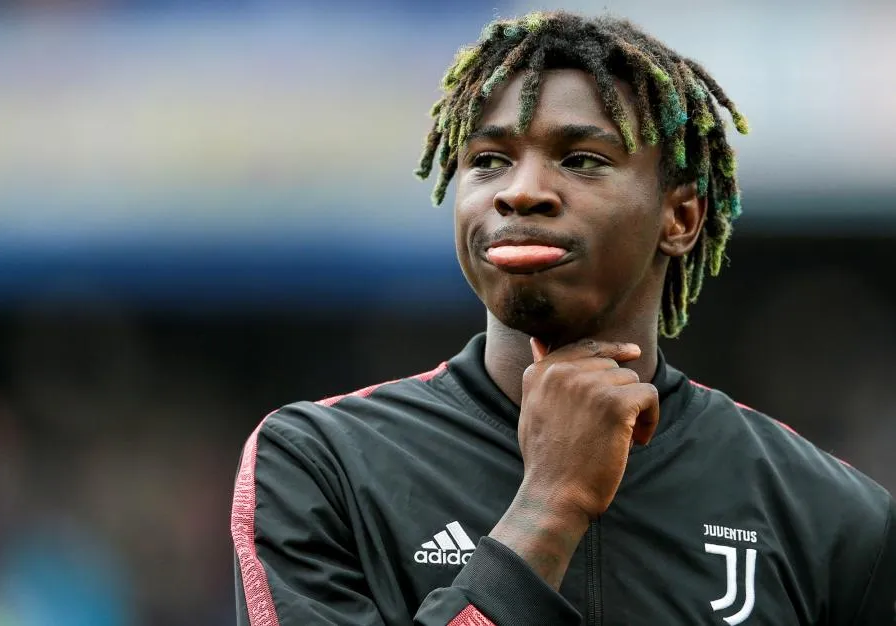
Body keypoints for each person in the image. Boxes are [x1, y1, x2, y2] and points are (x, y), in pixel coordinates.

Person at [231, 11, 896, 625]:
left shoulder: (827, 514)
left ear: (680, 217)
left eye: (582, 161)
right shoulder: (319, 466)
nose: (520, 191)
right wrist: (549, 504)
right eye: (488, 161)